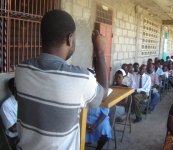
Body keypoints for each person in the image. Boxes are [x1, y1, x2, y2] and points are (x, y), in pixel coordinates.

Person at [15, 10, 108, 150]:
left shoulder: (21, 70)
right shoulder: (81, 79)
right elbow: (103, 94)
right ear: (69, 38)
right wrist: (100, 52)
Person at [0, 78, 18, 149]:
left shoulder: (24, 101)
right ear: (12, 89)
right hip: (14, 139)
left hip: (25, 135)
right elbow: (12, 129)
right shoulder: (6, 105)